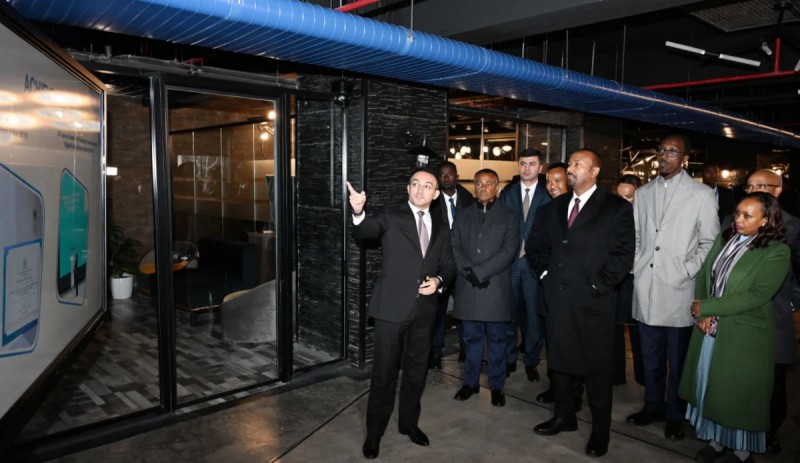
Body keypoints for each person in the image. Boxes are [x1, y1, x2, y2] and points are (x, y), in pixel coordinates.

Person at [529, 149, 634, 458]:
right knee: (560, 365)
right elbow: (536, 244)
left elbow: (623, 255)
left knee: (597, 372)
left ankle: (601, 432)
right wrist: (545, 274)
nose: (570, 168)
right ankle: (564, 417)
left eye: (578, 164)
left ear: (595, 171)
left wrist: (596, 285)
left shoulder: (615, 208)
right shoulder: (554, 207)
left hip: (593, 304)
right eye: (570, 163)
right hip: (558, 301)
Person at [347, 171, 456, 460]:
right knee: (383, 374)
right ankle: (374, 434)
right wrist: (358, 213)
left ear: (436, 194)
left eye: (428, 186)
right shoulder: (390, 215)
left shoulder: (442, 226)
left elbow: (449, 266)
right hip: (391, 309)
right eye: (415, 184)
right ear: (408, 189)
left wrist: (439, 282)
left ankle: (409, 424)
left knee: (417, 373)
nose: (421, 190)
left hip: (424, 312)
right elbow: (366, 232)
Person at [680, 192, 790, 463]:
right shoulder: (724, 238)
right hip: (710, 329)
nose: (738, 219)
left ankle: (742, 452)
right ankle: (716, 442)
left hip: (743, 335)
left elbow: (757, 295)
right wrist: (703, 313)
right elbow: (704, 275)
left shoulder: (776, 251)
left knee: (737, 396)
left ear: (766, 220)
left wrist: (707, 307)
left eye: (747, 216)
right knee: (711, 387)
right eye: (738, 212)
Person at [629, 134, 719, 441]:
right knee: (649, 357)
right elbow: (637, 236)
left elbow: (709, 242)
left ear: (685, 159)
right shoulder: (644, 192)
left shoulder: (701, 194)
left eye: (672, 151)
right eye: (661, 150)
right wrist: (637, 267)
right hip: (647, 288)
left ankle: (675, 414)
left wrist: (687, 270)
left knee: (678, 361)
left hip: (680, 290)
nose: (664, 155)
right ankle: (652, 406)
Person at [730, 170, 800, 454]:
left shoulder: (794, 226)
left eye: (761, 185)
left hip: (773, 314)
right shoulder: (732, 221)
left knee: (772, 381)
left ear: (778, 190)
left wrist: (792, 304)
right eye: (750, 186)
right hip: (734, 313)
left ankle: (770, 431)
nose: (754, 190)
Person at [451, 169, 518, 407]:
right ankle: (470, 383)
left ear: (497, 187)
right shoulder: (463, 215)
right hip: (468, 287)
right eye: (479, 183)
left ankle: (497, 386)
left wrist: (480, 272)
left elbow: (509, 251)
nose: (483, 187)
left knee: (497, 341)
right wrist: (469, 272)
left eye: (489, 183)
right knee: (471, 339)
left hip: (495, 288)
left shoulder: (510, 216)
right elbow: (454, 247)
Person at [498, 149, 550, 381]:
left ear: (540, 167)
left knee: (533, 318)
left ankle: (531, 360)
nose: (526, 168)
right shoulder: (507, 193)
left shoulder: (547, 193)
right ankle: (509, 359)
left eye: (532, 164)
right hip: (510, 264)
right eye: (523, 164)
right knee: (508, 315)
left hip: (535, 265)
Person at [525, 161, 570, 404]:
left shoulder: (583, 210)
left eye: (558, 181)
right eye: (549, 182)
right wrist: (543, 272)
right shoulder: (544, 211)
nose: (552, 186)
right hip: (549, 289)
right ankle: (556, 389)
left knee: (573, 344)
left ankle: (574, 393)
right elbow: (533, 245)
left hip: (577, 292)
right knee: (552, 342)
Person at [429, 161, 475, 369]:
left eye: (450, 174)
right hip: (440, 266)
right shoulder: (431, 200)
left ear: (457, 176)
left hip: (463, 265)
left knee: (465, 310)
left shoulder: (469, 199)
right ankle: (435, 353)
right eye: (442, 175)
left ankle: (466, 351)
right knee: (438, 313)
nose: (446, 178)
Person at [613, 174, 644, 387]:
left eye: (629, 196)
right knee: (614, 328)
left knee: (638, 329)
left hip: (637, 279)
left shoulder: (645, 218)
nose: (624, 201)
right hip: (616, 278)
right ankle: (616, 374)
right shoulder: (612, 216)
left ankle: (643, 375)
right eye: (620, 196)